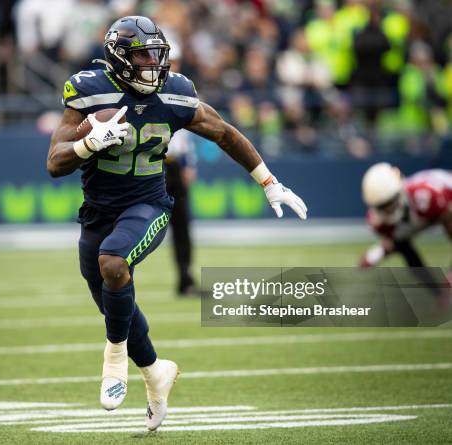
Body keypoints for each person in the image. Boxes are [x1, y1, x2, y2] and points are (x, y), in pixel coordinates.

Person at [46, 16, 307, 431]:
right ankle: (155, 373)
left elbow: (224, 133)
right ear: (118, 58)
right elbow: (55, 161)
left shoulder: (176, 93)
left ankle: (114, 359)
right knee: (115, 299)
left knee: (113, 262)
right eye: (143, 56)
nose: (153, 64)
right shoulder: (89, 90)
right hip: (97, 211)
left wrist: (268, 181)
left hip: (148, 204)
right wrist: (86, 143)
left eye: (156, 55)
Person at [359, 163, 452, 268]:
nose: (387, 210)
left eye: (389, 202)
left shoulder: (425, 197)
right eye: (381, 206)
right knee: (401, 242)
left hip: (448, 200)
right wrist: (375, 255)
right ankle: (427, 281)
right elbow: (394, 242)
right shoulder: (377, 221)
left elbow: (449, 217)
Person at [165, 129, 197, 295]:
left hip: (175, 167)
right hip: (152, 166)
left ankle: (185, 279)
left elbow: (184, 137)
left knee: (182, 227)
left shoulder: (178, 105)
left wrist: (188, 164)